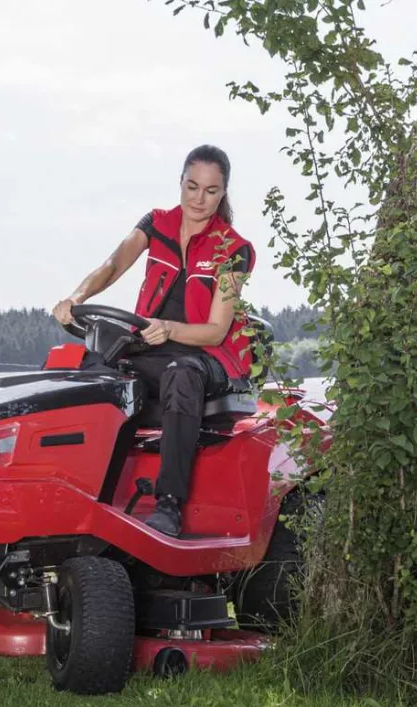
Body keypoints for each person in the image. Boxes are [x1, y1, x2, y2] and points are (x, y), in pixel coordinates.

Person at [53, 144, 256, 537]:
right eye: (192, 186)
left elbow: (216, 329)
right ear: (180, 182)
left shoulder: (233, 250)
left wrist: (168, 328)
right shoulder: (156, 223)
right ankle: (79, 490)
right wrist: (76, 298)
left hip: (206, 357)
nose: (199, 198)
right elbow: (113, 265)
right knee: (93, 369)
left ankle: (168, 504)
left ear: (224, 192)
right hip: (152, 347)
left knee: (181, 374)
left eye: (211, 191)